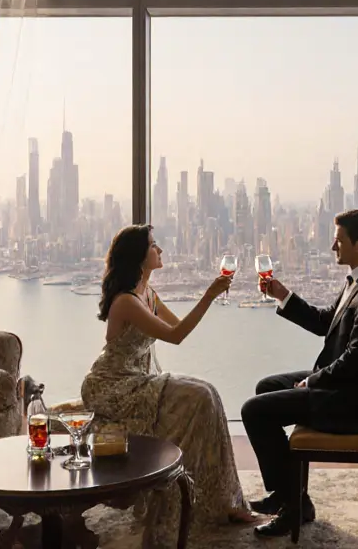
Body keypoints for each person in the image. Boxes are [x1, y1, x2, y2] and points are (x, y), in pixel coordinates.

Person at [81, 224, 256, 543]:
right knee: (201, 397)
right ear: (138, 256)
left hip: (138, 378)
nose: (160, 250)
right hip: (113, 385)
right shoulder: (127, 302)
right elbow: (176, 336)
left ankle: (223, 500)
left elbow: (178, 327)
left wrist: (210, 299)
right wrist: (209, 295)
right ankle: (204, 502)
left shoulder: (148, 294)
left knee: (209, 393)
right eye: (153, 245)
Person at [242, 209, 358, 538]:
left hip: (354, 404)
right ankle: (292, 496)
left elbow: (356, 359)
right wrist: (282, 295)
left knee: (254, 411)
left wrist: (312, 381)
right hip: (347, 387)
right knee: (265, 387)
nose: (332, 246)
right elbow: (324, 322)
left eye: (338, 240)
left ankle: (291, 505)